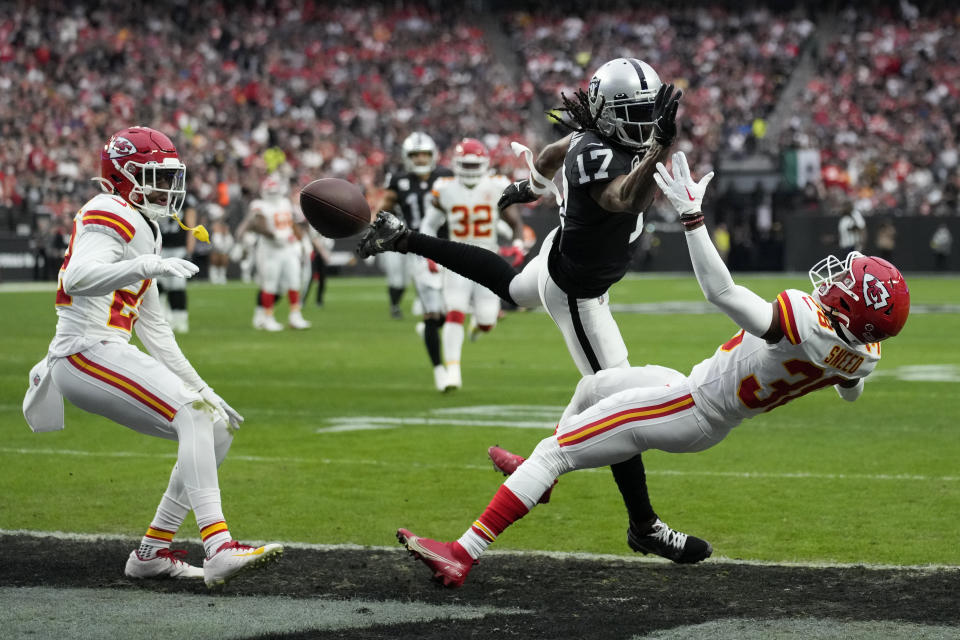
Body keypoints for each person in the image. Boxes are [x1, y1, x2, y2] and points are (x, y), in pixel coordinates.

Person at [394, 151, 911, 588]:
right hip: (696, 392)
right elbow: (850, 388)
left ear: (853, 309)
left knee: (556, 452)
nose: (836, 278)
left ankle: (463, 552)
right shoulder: (861, 353)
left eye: (848, 282)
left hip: (690, 408)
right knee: (595, 384)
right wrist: (850, 374)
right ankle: (543, 481)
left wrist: (692, 218)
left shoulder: (805, 321)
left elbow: (723, 292)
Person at [359, 58, 711, 563]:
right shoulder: (602, 155)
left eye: (647, 113)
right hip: (578, 292)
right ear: (609, 114)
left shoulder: (587, 139)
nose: (642, 122)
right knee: (619, 404)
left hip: (556, 255)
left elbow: (551, 152)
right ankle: (643, 525)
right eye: (633, 113)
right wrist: (658, 147)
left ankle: (405, 238)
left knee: (508, 285)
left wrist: (532, 185)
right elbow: (620, 197)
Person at [22, 126, 283, 588]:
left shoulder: (143, 225)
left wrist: (204, 387)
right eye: (152, 176)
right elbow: (79, 277)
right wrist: (145, 265)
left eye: (168, 176)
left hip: (105, 350)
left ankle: (152, 551)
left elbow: (156, 329)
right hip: (83, 351)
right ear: (121, 177)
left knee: (213, 425)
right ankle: (218, 545)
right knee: (193, 417)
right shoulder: (109, 208)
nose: (165, 188)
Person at [421, 138, 523, 390]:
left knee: (488, 320)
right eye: (463, 165)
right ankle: (453, 370)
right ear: (456, 164)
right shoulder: (445, 188)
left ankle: (478, 327)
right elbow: (429, 225)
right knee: (455, 311)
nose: (467, 170)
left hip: (488, 257)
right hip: (457, 255)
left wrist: (519, 243)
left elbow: (515, 222)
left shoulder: (497, 184)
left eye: (472, 164)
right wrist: (429, 253)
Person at [377, 131, 455, 390]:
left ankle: (429, 327)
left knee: (449, 312)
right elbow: (383, 211)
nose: (420, 159)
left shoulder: (446, 176)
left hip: (449, 248)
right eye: (415, 155)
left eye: (424, 154)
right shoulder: (398, 181)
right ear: (406, 157)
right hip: (417, 250)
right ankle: (439, 370)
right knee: (433, 314)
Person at [241, 175, 311, 331]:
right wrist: (274, 234)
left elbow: (291, 223)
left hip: (287, 248)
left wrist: (300, 240)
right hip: (269, 250)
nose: (273, 195)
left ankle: (295, 316)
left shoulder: (285, 203)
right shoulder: (259, 205)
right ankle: (267, 317)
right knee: (269, 285)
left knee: (294, 281)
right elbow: (257, 225)